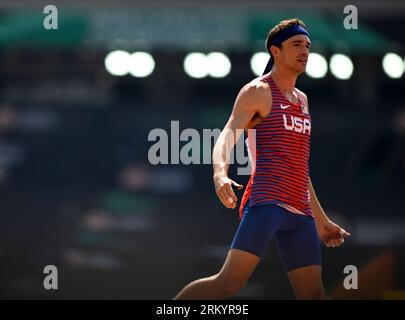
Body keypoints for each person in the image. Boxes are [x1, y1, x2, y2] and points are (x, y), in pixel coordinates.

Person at [174, 18, 351, 300]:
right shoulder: (258, 91)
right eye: (296, 45)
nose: (304, 51)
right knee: (228, 284)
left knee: (312, 296)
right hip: (267, 202)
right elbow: (227, 135)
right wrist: (220, 174)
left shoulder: (302, 100)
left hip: (300, 213)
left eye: (307, 46)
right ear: (275, 52)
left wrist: (321, 220)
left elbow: (299, 166)